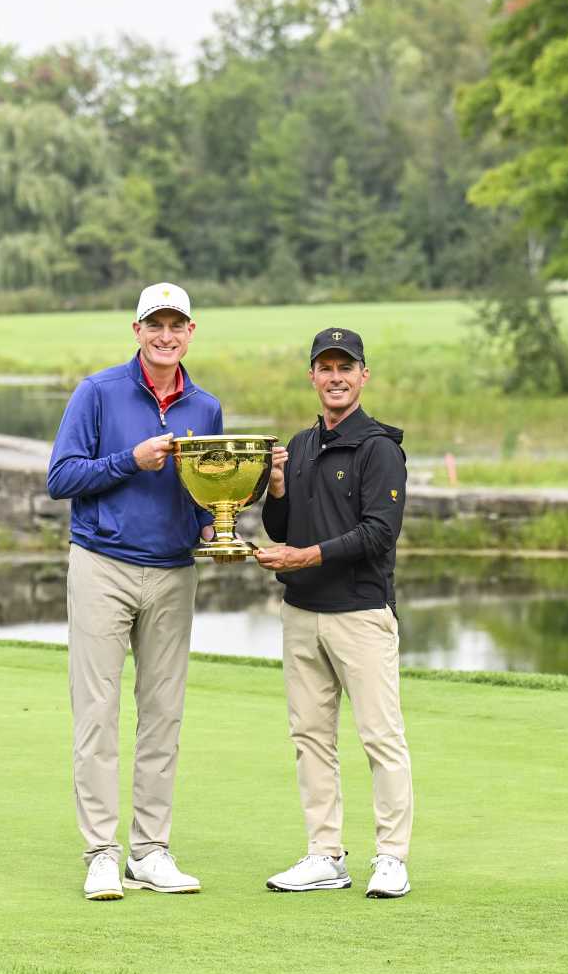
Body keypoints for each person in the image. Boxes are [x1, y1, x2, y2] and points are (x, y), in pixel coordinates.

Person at [46, 282, 223, 901]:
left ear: (191, 332)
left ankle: (150, 851)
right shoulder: (97, 393)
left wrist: (212, 522)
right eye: (156, 324)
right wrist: (130, 460)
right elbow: (61, 477)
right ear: (137, 329)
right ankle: (101, 852)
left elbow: (205, 490)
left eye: (177, 325)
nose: (166, 335)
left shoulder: (207, 408)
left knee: (163, 716)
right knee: (96, 712)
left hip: (174, 571)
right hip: (102, 564)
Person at [253, 327, 414, 898]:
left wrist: (305, 555)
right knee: (311, 739)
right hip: (301, 612)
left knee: (380, 738)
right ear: (313, 376)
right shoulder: (298, 446)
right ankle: (325, 855)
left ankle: (391, 857)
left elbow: (379, 533)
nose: (336, 376)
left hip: (360, 613)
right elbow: (282, 528)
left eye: (347, 367)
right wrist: (276, 486)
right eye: (326, 367)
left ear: (364, 375)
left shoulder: (379, 449)